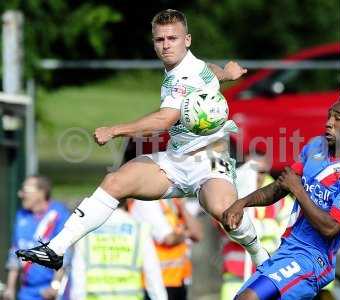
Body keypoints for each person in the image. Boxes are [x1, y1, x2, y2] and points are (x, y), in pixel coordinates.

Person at [16, 9, 269, 271]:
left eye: (173, 38)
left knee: (226, 213)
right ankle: (56, 249)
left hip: (210, 160)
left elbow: (163, 121)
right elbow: (209, 70)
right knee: (115, 181)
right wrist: (227, 73)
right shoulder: (191, 65)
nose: (166, 45)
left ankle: (259, 253)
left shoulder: (180, 79)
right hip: (175, 160)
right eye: (160, 40)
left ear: (188, 39)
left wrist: (114, 130)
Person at [222, 93, 340, 300]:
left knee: (248, 299)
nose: (329, 123)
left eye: (338, 118)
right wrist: (242, 203)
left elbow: (331, 228)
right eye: (329, 116)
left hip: (312, 259)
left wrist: (299, 191)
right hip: (286, 250)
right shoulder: (316, 147)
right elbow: (280, 187)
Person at [220, 155, 293, 300]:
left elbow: (287, 231)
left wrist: (255, 228)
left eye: (261, 171)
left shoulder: (281, 196)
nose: (256, 175)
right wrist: (271, 227)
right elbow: (230, 228)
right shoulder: (232, 192)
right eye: (253, 169)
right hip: (236, 273)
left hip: (268, 273)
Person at [69, 199, 167, 300]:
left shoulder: (87, 230)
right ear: (128, 200)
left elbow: (78, 277)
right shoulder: (139, 229)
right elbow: (153, 275)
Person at [3, 176, 70, 300]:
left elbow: (63, 254)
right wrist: (10, 288)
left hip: (51, 291)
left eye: (25, 190)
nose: (20, 194)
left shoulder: (58, 215)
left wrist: (55, 287)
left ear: (41, 193)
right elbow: (15, 252)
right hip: (27, 291)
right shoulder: (21, 216)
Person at [131, 198, 203, 300]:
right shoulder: (145, 202)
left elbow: (197, 234)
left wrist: (182, 207)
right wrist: (187, 233)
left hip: (178, 280)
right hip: (156, 283)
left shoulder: (174, 201)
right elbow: (169, 239)